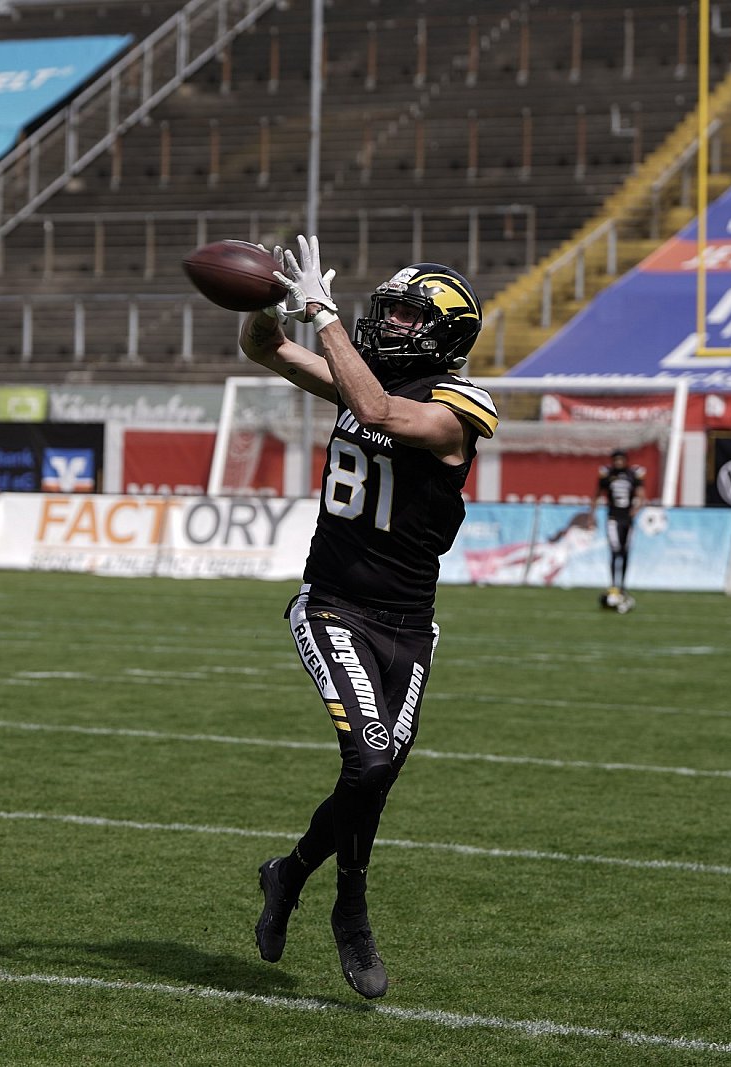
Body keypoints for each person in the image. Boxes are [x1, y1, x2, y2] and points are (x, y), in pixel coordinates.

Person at [238, 236, 496, 1000]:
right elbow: (266, 351)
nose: (391, 323)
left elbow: (379, 410)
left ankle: (290, 875)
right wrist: (264, 302)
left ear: (445, 334)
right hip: (333, 605)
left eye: (410, 315)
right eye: (391, 310)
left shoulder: (460, 407)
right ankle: (349, 908)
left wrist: (325, 317)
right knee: (371, 762)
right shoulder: (363, 377)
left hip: (410, 625)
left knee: (372, 781)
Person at [593, 448, 645, 603]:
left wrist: (636, 509)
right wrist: (591, 514)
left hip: (627, 519)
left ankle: (622, 585)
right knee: (615, 551)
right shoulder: (608, 474)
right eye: (616, 460)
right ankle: (613, 585)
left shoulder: (632, 474)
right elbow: (597, 494)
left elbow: (641, 494)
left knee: (625, 552)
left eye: (621, 459)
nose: (618, 462)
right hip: (613, 518)